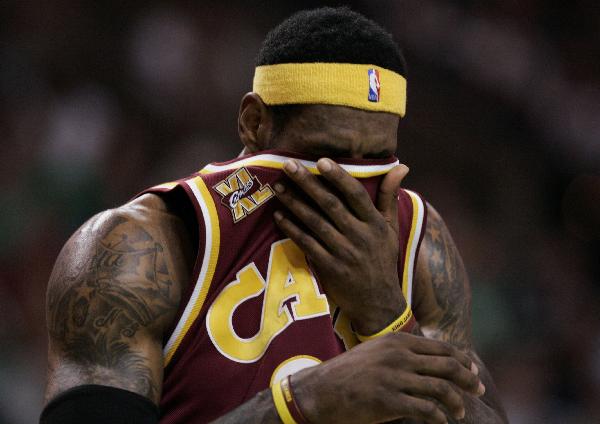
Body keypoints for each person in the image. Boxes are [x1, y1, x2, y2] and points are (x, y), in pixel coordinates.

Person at [41, 7, 507, 424]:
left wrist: (385, 312)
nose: (352, 184)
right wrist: (300, 402)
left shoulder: (420, 242)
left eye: (377, 158)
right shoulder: (141, 244)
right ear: (254, 122)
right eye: (328, 155)